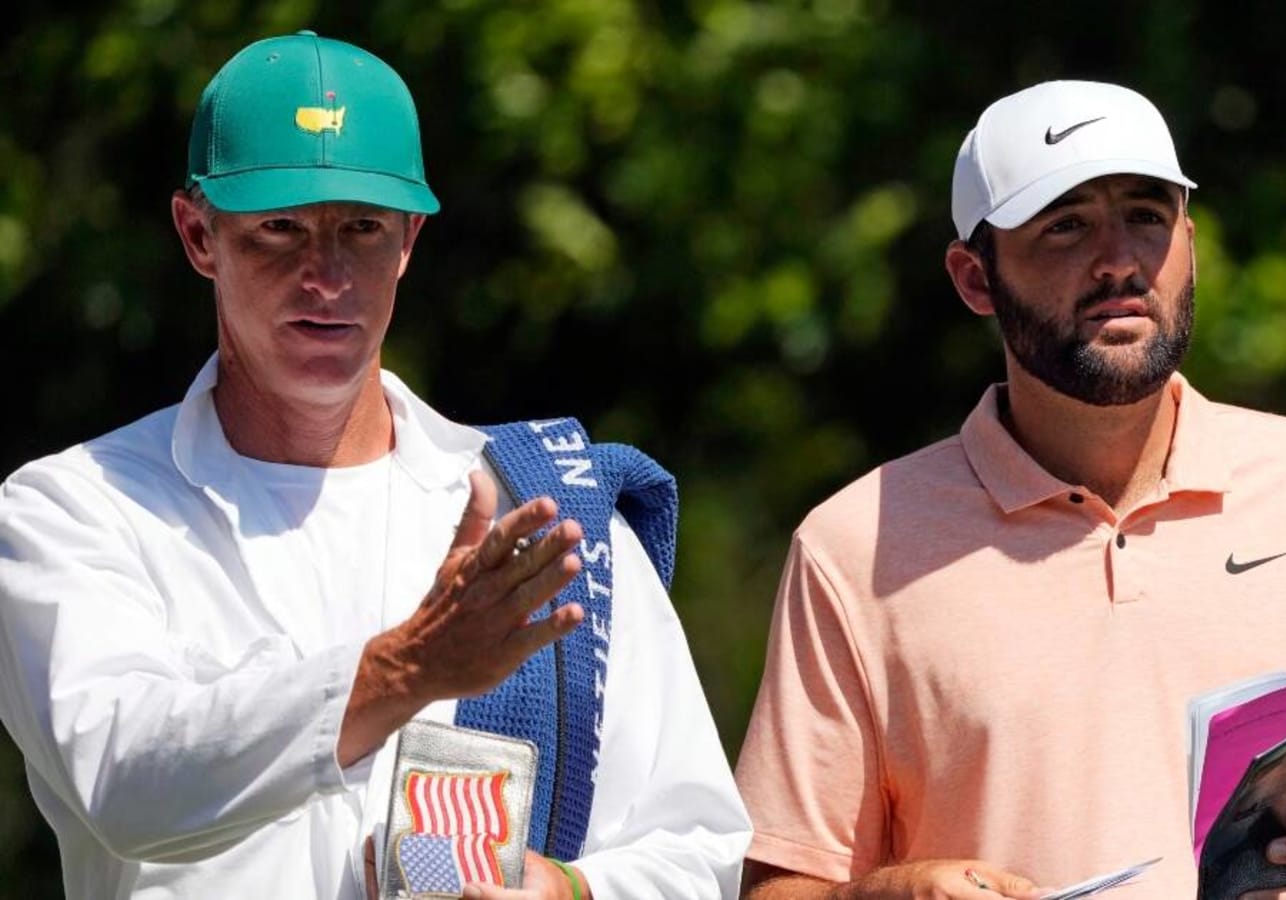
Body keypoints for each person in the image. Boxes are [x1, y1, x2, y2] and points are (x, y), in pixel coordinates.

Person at [0, 31, 749, 900]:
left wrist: (570, 891)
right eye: (280, 229)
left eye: (361, 228)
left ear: (409, 240)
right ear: (198, 234)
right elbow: (120, 781)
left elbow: (699, 849)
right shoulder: (75, 508)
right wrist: (407, 671)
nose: (325, 276)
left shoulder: (543, 511)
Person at [733, 80, 1286, 899]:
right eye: (1066, 225)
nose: (1117, 260)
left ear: (1192, 241)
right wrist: (884, 896)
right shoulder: (853, 547)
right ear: (975, 278)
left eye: (1147, 216)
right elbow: (780, 886)